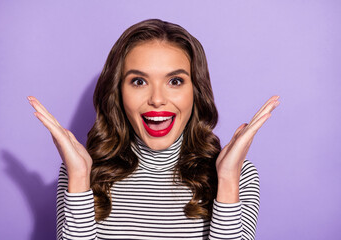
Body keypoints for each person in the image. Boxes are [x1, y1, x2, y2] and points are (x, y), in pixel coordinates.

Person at [28, 19, 280, 240]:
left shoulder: (239, 175)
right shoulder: (79, 171)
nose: (157, 99)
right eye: (138, 81)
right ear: (118, 92)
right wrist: (80, 177)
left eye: (175, 81)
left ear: (196, 92)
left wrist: (226, 179)